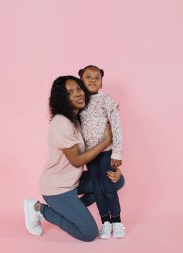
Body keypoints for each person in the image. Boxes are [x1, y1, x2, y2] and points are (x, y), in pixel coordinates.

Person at [23, 75, 124, 242]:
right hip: (57, 188)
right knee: (89, 234)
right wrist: (107, 140)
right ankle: (39, 209)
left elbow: (94, 153)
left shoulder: (78, 119)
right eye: (70, 92)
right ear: (62, 98)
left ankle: (71, 211)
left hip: (74, 181)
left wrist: (112, 166)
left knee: (115, 181)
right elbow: (77, 160)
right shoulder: (61, 123)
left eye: (78, 88)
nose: (78, 94)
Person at [78, 65, 125, 239]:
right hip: (90, 154)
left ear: (102, 81)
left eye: (97, 77)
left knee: (109, 187)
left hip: (106, 151)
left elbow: (117, 127)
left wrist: (117, 153)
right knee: (97, 188)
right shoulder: (79, 101)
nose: (92, 80)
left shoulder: (106, 100)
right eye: (87, 77)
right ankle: (105, 221)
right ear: (80, 80)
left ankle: (117, 221)